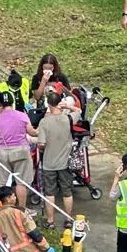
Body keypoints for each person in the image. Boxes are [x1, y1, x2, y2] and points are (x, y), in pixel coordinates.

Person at [35, 92, 76, 224]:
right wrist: (68, 107)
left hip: (48, 163)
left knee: (50, 193)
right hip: (65, 163)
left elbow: (41, 144)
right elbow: (79, 111)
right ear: (60, 103)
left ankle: (50, 220)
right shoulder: (69, 119)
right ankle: (68, 219)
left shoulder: (44, 122)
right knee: (67, 192)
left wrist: (42, 147)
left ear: (48, 104)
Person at [0, 98, 36, 192]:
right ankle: (22, 206)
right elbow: (31, 132)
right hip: (21, 151)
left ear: (1, 105)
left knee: (4, 182)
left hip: (4, 152)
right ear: (12, 102)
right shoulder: (22, 116)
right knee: (21, 183)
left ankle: (4, 205)